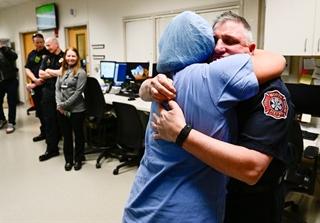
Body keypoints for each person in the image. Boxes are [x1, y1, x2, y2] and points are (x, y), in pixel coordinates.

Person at [122, 11, 286, 222]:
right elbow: (278, 59)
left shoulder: (164, 81)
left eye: (229, 40)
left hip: (142, 206)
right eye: (214, 40)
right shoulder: (209, 77)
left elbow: (252, 168)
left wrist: (180, 132)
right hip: (185, 211)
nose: (218, 47)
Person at [56, 47, 87, 171]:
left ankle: (78, 159)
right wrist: (59, 104)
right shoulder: (62, 71)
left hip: (77, 110)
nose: (70, 58)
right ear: (65, 58)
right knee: (66, 136)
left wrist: (64, 105)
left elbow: (78, 92)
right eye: (68, 56)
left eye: (73, 56)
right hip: (62, 110)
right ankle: (68, 160)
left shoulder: (81, 72)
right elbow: (57, 89)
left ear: (77, 57)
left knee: (78, 135)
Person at [38, 37, 64, 162]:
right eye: (46, 46)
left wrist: (49, 71)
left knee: (62, 120)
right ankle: (51, 148)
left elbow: (63, 72)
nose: (46, 48)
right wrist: (54, 72)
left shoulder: (65, 57)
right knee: (49, 120)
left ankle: (68, 147)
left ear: (56, 44)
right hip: (48, 91)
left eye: (48, 45)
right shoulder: (46, 57)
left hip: (62, 91)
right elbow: (40, 74)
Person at [0, 31, 19, 134]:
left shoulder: (6, 49)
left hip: (10, 80)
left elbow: (14, 57)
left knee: (11, 102)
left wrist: (0, 48)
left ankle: (11, 122)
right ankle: (1, 119)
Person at [25, 33, 49, 142]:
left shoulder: (48, 54)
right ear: (33, 43)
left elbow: (49, 72)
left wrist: (36, 83)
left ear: (44, 41)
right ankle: (43, 132)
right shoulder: (31, 55)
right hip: (35, 86)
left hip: (46, 87)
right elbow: (27, 69)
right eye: (37, 42)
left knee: (47, 112)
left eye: (41, 42)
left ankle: (52, 134)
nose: (39, 44)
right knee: (39, 112)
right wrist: (34, 80)